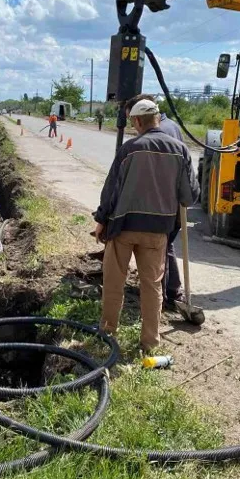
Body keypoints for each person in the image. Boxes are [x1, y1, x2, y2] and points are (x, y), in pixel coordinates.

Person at [94, 97, 199, 351]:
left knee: (114, 281)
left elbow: (111, 190)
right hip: (158, 231)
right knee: (152, 286)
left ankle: (108, 332)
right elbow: (189, 196)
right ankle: (150, 342)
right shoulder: (180, 149)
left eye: (133, 123)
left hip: (124, 226)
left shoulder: (130, 149)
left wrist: (100, 219)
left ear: (138, 121)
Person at [126, 96, 184, 308]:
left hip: (162, 206)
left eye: (132, 121)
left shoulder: (157, 137)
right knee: (166, 245)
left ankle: (169, 293)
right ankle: (172, 290)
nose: (134, 128)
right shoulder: (172, 126)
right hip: (172, 204)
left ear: (141, 119)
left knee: (161, 248)